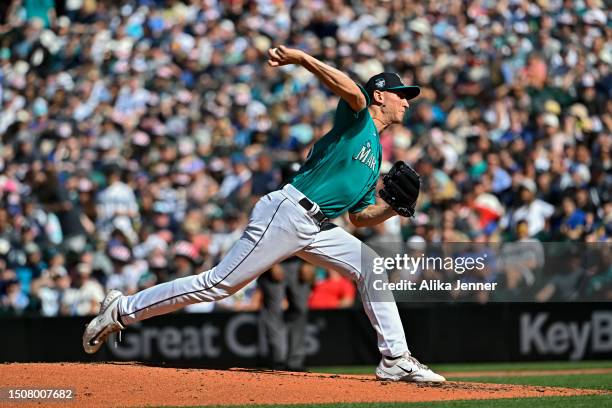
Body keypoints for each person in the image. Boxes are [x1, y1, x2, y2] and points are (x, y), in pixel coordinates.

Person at [83, 45, 445, 382]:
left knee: (371, 266)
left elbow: (359, 216)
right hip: (289, 212)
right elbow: (350, 89)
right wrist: (303, 58)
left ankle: (395, 359)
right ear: (379, 95)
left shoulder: (375, 156)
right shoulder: (358, 119)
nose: (407, 103)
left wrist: (390, 209)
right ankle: (122, 309)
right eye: (402, 94)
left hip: (318, 226)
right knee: (217, 285)